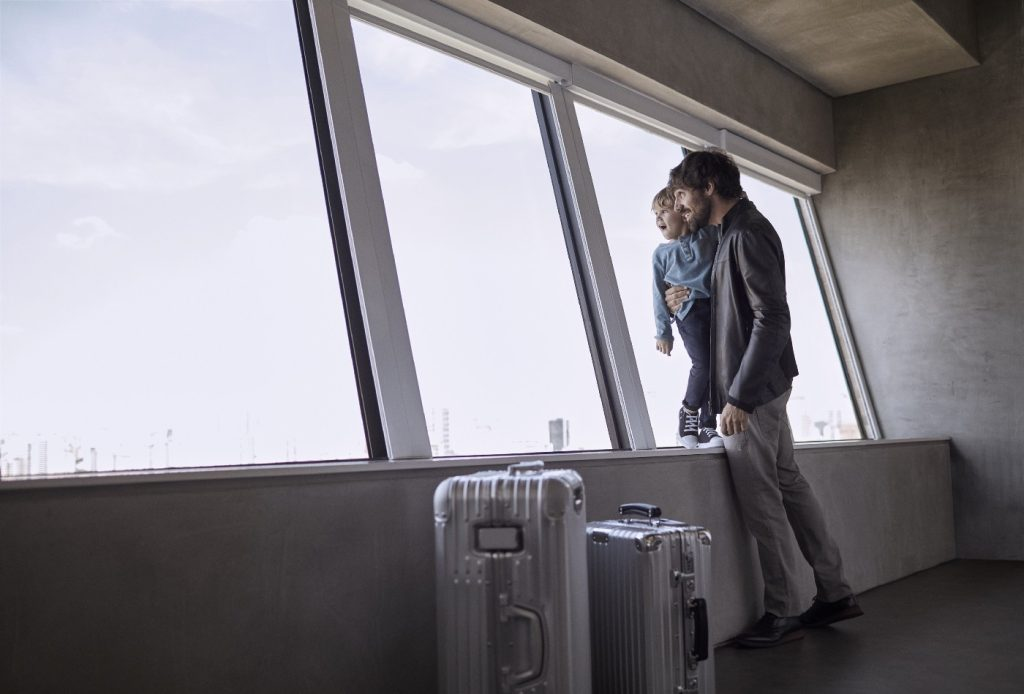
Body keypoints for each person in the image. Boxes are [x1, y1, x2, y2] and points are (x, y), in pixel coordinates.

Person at [665, 149, 863, 648]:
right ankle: (834, 591)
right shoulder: (734, 232)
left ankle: (783, 610)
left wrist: (739, 398)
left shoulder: (747, 232)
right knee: (788, 484)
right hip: (762, 385)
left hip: (751, 392)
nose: (680, 206)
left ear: (708, 184)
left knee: (764, 501)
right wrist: (684, 303)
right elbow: (734, 312)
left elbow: (772, 318)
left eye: (684, 195)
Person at [649, 187, 723, 449]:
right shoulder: (661, 254)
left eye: (664, 211)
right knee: (702, 364)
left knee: (716, 368)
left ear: (683, 213)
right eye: (655, 213)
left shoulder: (709, 236)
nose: (658, 217)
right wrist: (663, 332)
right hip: (688, 314)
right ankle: (689, 412)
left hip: (716, 311)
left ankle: (707, 426)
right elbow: (659, 296)